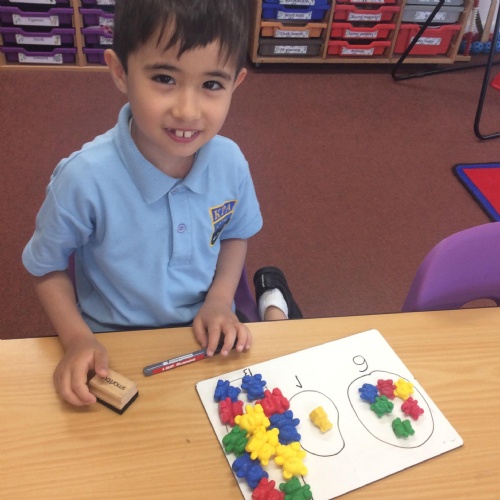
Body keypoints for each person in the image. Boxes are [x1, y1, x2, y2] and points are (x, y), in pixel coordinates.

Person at [22, 0, 301, 408]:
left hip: (206, 331)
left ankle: (271, 296)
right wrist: (77, 338)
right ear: (121, 72)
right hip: (113, 341)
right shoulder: (83, 178)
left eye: (212, 85)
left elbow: (235, 234)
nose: (187, 111)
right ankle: (273, 297)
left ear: (236, 83)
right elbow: (44, 266)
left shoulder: (230, 162)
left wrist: (219, 300)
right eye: (164, 78)